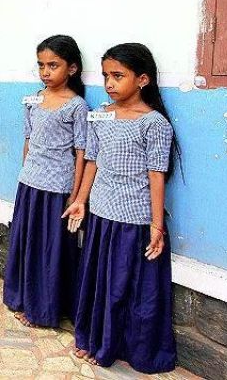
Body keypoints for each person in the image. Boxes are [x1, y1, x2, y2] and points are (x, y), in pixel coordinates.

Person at [63, 43, 179, 373]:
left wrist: (157, 225)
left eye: (118, 75)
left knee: (121, 289)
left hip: (133, 219)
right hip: (101, 214)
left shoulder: (154, 124)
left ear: (142, 79)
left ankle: (114, 346)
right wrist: (80, 202)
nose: (109, 83)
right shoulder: (100, 113)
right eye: (105, 76)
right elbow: (93, 161)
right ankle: (93, 338)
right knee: (98, 282)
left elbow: (157, 175)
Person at [3, 35, 88, 328]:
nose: (46, 72)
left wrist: (75, 196)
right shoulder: (34, 100)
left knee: (50, 249)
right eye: (41, 65)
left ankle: (45, 307)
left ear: (72, 68)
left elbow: (81, 153)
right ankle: (24, 297)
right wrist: (25, 171)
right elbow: (29, 140)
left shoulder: (77, 106)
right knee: (27, 242)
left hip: (57, 188)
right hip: (29, 183)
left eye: (53, 65)